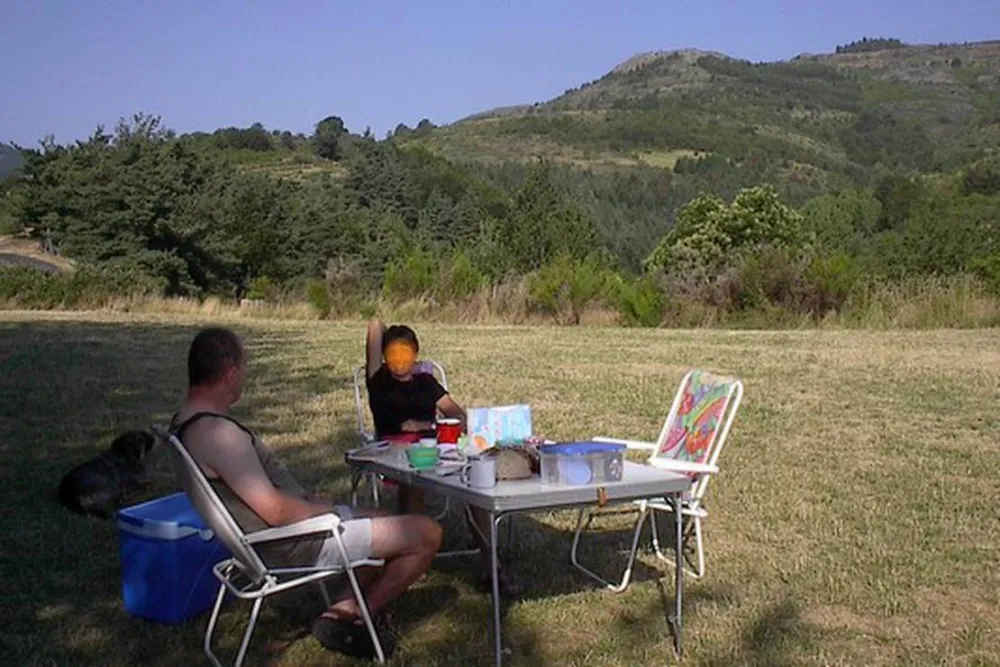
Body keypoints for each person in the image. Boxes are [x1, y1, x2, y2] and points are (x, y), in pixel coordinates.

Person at [171, 327, 441, 660]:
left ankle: (340, 608)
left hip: (263, 539)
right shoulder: (217, 433)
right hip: (292, 542)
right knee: (427, 533)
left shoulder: (184, 423)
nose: (244, 375)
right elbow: (277, 513)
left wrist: (316, 503)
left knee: (387, 519)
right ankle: (356, 613)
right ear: (230, 374)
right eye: (243, 368)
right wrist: (326, 509)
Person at [365, 317, 519, 595]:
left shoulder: (426, 382)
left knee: (474, 478)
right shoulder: (378, 381)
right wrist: (389, 333)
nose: (400, 360)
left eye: (406, 353)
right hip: (395, 452)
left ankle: (491, 565)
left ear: (416, 355)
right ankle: (413, 553)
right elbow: (374, 325)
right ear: (385, 357)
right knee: (413, 479)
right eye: (393, 353)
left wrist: (425, 425)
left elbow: (458, 415)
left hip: (433, 447)